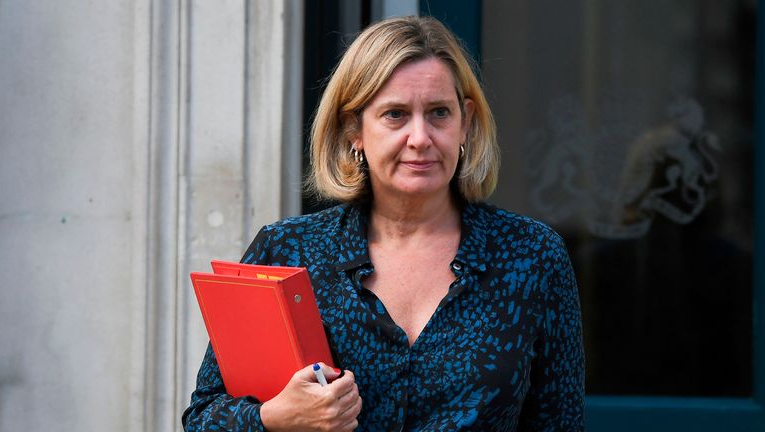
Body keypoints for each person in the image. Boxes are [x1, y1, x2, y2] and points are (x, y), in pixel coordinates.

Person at [182, 15, 584, 432]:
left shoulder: (532, 256)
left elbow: (561, 423)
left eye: (439, 113)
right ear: (354, 128)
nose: (420, 138)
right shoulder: (289, 251)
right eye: (395, 115)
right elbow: (204, 418)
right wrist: (276, 418)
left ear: (465, 121)